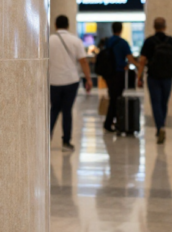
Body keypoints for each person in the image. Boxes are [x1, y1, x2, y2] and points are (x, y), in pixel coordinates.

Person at [49, 15, 92, 152]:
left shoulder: (49, 40)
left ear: (55, 25)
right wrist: (88, 79)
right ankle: (66, 142)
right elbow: (83, 61)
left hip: (53, 81)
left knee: (54, 109)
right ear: (68, 25)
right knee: (67, 111)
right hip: (71, 81)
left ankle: (46, 139)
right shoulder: (76, 40)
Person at [137, 17, 172, 144]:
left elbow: (142, 61)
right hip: (167, 77)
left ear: (154, 27)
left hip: (153, 76)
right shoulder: (171, 41)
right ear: (165, 27)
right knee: (164, 102)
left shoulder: (149, 41)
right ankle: (162, 124)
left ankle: (159, 127)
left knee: (155, 102)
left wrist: (139, 77)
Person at [102, 22, 138, 133]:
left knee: (113, 97)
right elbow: (130, 57)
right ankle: (110, 123)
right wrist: (138, 66)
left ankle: (114, 121)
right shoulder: (123, 43)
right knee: (116, 98)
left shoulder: (107, 42)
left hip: (108, 74)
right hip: (119, 74)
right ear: (121, 30)